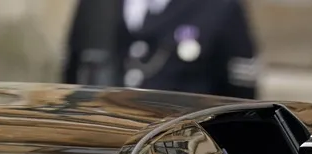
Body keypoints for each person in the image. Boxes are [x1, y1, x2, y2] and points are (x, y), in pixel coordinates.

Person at [63, 0, 259, 99]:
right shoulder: (96, 5)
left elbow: (238, 97)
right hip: (103, 145)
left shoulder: (220, 7)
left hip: (181, 152)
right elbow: (72, 76)